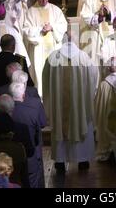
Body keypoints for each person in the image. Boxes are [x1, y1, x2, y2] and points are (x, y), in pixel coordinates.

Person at [42, 27, 99, 172]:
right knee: (80, 123)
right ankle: (83, 160)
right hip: (79, 107)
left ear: (63, 40)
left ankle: (60, 162)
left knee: (61, 127)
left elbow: (46, 81)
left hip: (59, 107)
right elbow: (93, 78)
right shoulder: (84, 57)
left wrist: (50, 100)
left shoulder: (53, 57)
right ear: (76, 40)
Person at [24, 0, 68, 97]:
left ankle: (56, 93)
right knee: (39, 72)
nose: (44, 1)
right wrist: (40, 30)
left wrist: (52, 27)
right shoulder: (31, 12)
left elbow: (63, 25)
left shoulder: (55, 9)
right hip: (39, 49)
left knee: (55, 70)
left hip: (54, 46)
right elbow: (26, 29)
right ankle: (41, 96)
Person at [10, 83, 46, 188]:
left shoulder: (6, 111)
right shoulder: (32, 110)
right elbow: (43, 124)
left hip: (10, 157)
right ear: (24, 95)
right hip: (30, 156)